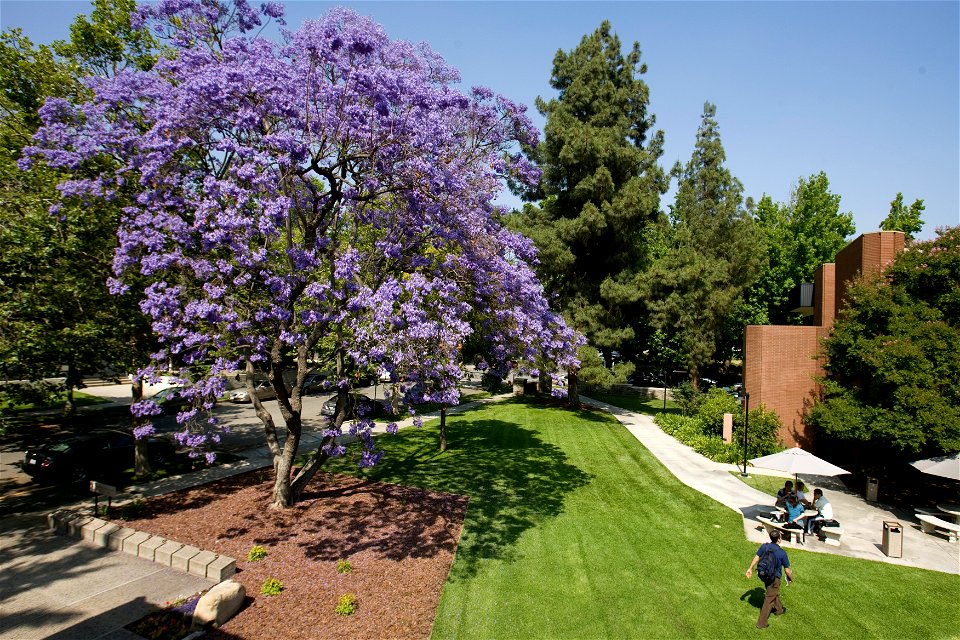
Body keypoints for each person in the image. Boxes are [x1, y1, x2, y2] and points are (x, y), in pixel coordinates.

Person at [745, 529, 794, 629]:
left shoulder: (764, 546)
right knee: (768, 599)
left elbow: (756, 557)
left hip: (763, 574)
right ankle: (761, 623)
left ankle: (779, 610)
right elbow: (787, 570)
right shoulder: (782, 553)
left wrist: (750, 568)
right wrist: (791, 578)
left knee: (772, 592)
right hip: (774, 578)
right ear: (779, 539)